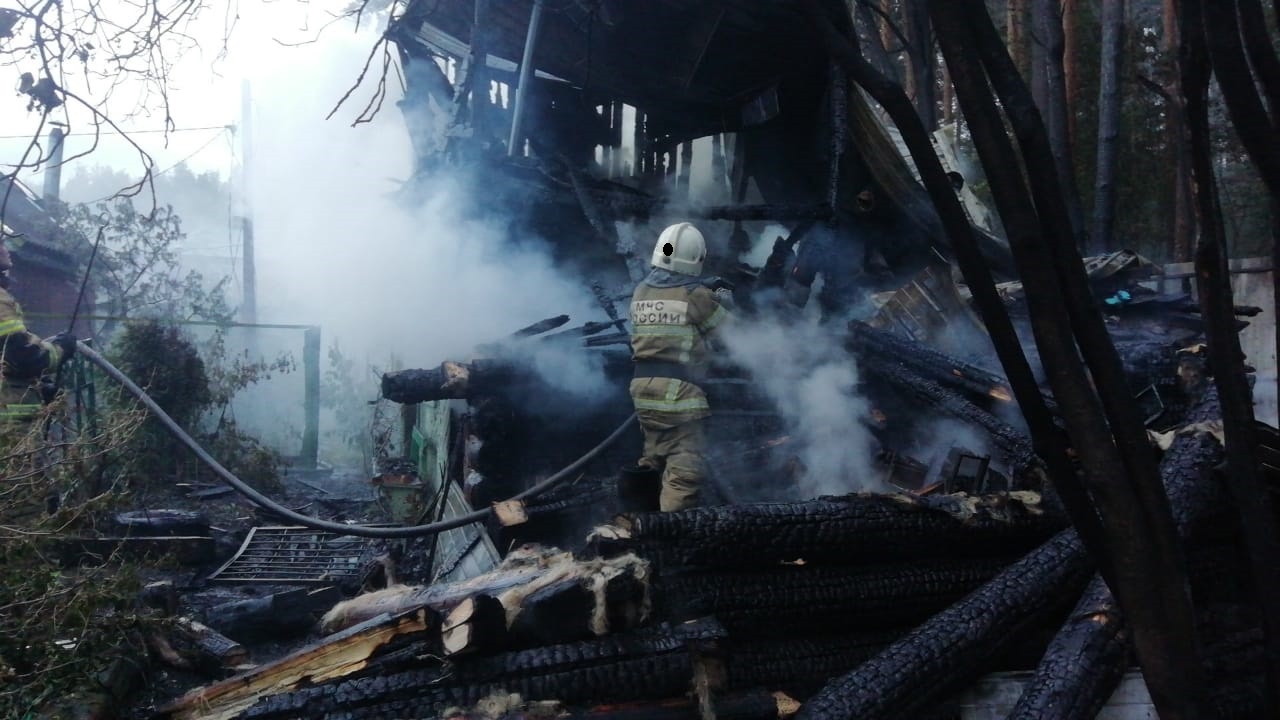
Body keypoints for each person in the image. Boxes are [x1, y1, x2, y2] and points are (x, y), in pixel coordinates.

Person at [627, 222, 732, 512]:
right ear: (697, 258)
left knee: (654, 457)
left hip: (644, 391)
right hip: (678, 394)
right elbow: (730, 335)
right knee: (685, 469)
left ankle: (638, 521)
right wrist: (724, 300)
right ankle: (670, 537)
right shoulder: (696, 296)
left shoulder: (640, 291)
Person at [0, 239, 76, 427]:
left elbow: (8, 358)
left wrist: (38, 390)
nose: (6, 250)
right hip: (9, 430)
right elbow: (24, 354)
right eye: (0, 243)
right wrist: (60, 349)